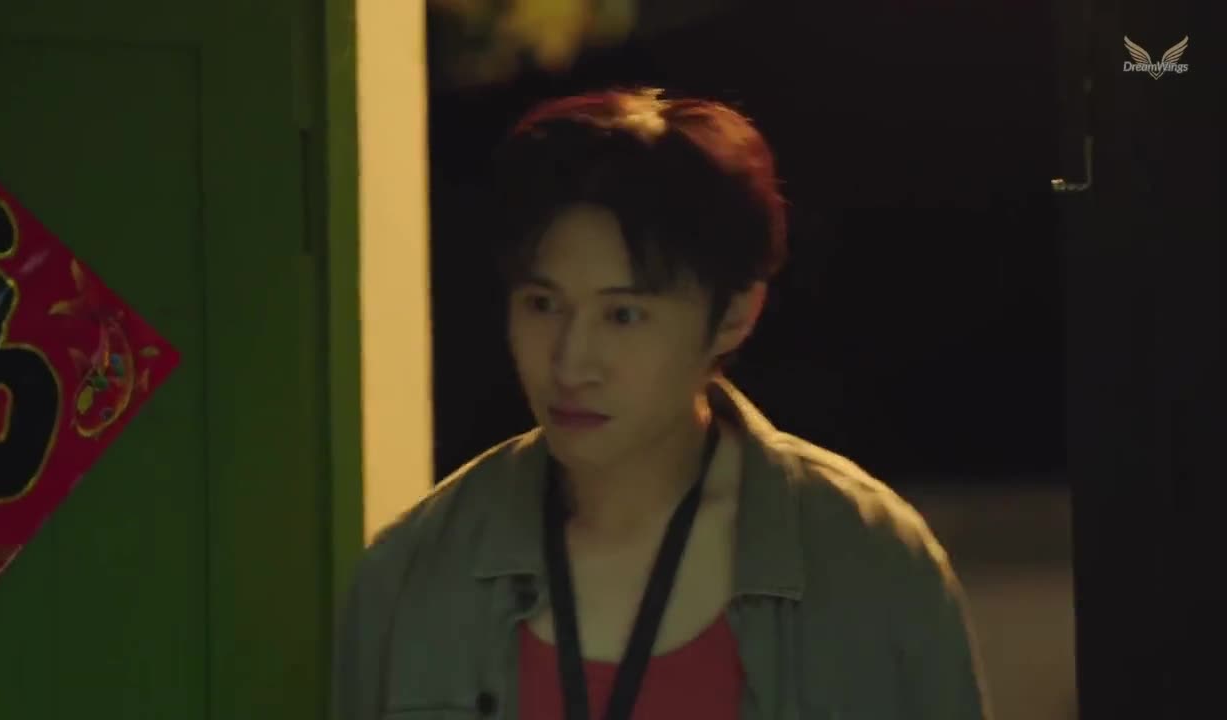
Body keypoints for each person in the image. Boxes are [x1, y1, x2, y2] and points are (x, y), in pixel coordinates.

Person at [333, 87, 990, 720]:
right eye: (543, 305)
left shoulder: (869, 561)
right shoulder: (412, 574)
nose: (571, 363)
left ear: (734, 314)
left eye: (623, 315)